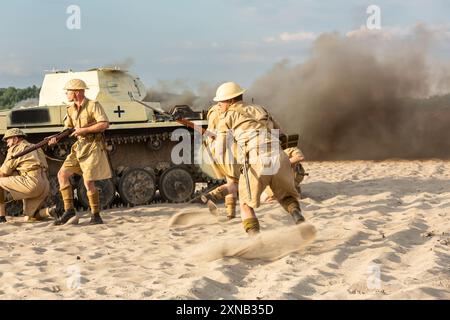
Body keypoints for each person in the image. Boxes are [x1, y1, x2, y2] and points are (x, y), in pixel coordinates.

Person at [214, 82, 305, 235]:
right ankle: (299, 219)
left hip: (256, 159)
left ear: (230, 101)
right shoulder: (260, 109)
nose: (218, 104)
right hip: (279, 157)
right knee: (287, 197)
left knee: (244, 203)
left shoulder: (227, 117)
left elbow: (219, 150)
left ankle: (254, 239)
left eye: (220, 101)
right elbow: (280, 134)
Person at [48, 79, 111, 225]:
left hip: (92, 146)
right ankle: (69, 211)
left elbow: (104, 124)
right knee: (62, 174)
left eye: (68, 91)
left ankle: (96, 215)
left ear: (77, 92)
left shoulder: (93, 105)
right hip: (79, 147)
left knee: (88, 182)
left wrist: (84, 130)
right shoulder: (70, 109)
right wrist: (55, 138)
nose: (66, 93)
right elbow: (67, 129)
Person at [0, 128, 51, 223]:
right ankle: (52, 211)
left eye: (8, 140)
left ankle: (1, 216)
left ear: (15, 139)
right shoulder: (36, 147)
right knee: (30, 217)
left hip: (31, 183)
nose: (7, 144)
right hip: (44, 185)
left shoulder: (16, 149)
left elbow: (3, 173)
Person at [199, 103, 240, 219]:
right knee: (237, 183)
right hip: (229, 150)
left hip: (217, 150)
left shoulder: (212, 110)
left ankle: (230, 214)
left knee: (231, 181)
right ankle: (212, 195)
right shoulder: (228, 111)